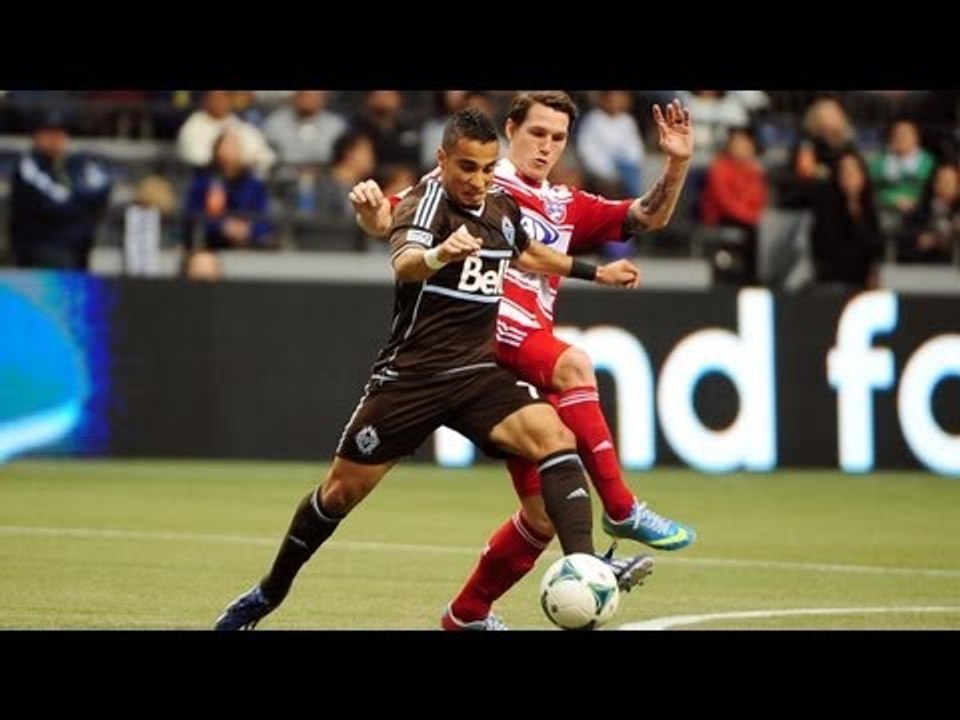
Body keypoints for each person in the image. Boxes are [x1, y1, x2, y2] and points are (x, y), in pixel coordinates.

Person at [214, 108, 652, 630]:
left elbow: (528, 251)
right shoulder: (424, 205)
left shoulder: (499, 206)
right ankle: (268, 592)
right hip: (411, 380)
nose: (478, 180)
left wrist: (595, 271)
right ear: (443, 159)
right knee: (338, 493)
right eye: (467, 167)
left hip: (475, 374)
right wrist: (442, 253)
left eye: (488, 169)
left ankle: (584, 567)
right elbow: (405, 262)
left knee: (555, 435)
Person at [351, 91, 696, 630]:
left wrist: (676, 162)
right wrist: (374, 214)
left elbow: (645, 217)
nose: (546, 147)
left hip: (513, 371)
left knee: (540, 515)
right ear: (511, 129)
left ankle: (465, 615)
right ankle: (621, 507)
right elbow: (392, 220)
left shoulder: (566, 204)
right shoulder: (476, 181)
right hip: (486, 337)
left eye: (558, 138)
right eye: (537, 133)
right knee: (576, 365)